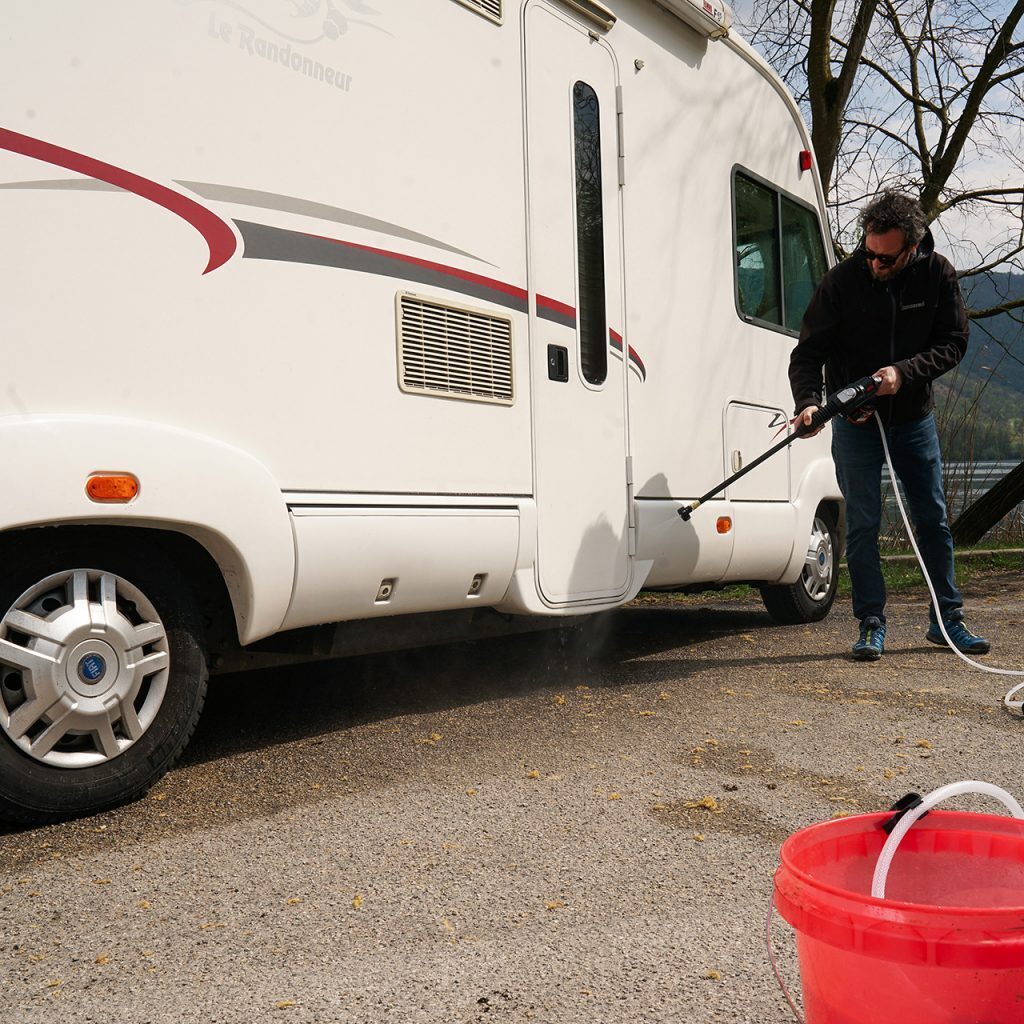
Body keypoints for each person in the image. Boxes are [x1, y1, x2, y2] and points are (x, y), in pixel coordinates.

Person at [789, 190, 990, 662]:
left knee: (932, 520)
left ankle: (947, 620)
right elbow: (807, 354)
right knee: (862, 523)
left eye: (886, 258)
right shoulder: (841, 282)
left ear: (913, 247)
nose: (874, 263)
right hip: (857, 425)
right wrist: (810, 403)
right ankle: (871, 622)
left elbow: (954, 342)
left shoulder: (937, 274)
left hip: (913, 418)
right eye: (868, 253)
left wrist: (904, 373)